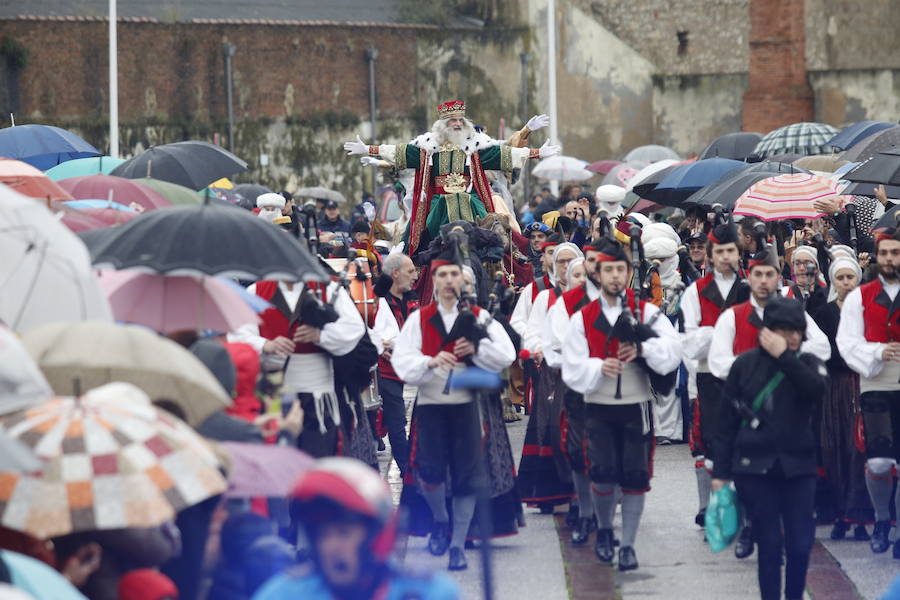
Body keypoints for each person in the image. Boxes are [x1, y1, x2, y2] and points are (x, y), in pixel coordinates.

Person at [562, 240, 682, 571]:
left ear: (629, 274)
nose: (615, 276)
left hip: (636, 406)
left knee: (634, 475)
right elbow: (572, 367)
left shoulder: (647, 312)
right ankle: (603, 531)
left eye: (621, 270)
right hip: (598, 405)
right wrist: (598, 367)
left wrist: (643, 351)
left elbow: (672, 351)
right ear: (597, 274)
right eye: (608, 270)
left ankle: (627, 545)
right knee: (600, 474)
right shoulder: (583, 317)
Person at [391, 253, 515, 570]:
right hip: (432, 405)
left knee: (466, 475)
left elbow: (506, 354)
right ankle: (440, 520)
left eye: (453, 275)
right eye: (442, 275)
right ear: (433, 281)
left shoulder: (478, 316)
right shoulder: (420, 318)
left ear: (462, 280)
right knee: (430, 474)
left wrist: (476, 349)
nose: (449, 281)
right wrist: (430, 362)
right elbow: (402, 362)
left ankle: (458, 544)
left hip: (467, 407)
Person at [708, 247, 831, 559]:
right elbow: (718, 361)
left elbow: (822, 346)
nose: (763, 281)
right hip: (747, 406)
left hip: (789, 403)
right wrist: (754, 364)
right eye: (758, 274)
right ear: (749, 278)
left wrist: (787, 355)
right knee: (749, 470)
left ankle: (773, 529)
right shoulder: (731, 316)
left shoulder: (793, 313)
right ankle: (750, 528)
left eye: (769, 274)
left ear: (779, 277)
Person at [713, 296, 827, 600]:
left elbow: (816, 390)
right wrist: (720, 472)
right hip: (755, 467)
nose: (790, 337)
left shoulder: (808, 363)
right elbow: (725, 423)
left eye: (796, 331)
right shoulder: (745, 364)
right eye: (782, 330)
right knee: (770, 545)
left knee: (801, 544)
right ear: (767, 331)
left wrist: (786, 358)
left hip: (798, 467)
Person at [343, 101, 560, 255]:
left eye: (459, 119)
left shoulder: (475, 146)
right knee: (425, 230)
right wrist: (369, 149)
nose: (457, 123)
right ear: (442, 124)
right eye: (452, 120)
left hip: (470, 198)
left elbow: (503, 154)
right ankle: (417, 258)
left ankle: (504, 259)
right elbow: (400, 152)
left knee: (493, 229)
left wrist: (536, 153)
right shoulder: (428, 147)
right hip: (438, 202)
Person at [253, 457, 459, 599]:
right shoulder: (283, 595)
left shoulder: (429, 593)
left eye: (344, 533)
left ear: (378, 537)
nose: (331, 546)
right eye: (323, 535)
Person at [229, 274, 365, 458]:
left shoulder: (327, 288)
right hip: (274, 388)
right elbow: (237, 333)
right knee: (279, 452)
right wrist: (265, 344)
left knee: (319, 454)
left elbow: (354, 328)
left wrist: (320, 336)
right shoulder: (257, 290)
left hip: (318, 390)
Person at [836, 227, 900, 558]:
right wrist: (877, 352)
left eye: (896, 253)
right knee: (878, 462)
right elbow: (846, 342)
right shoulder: (861, 296)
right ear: (877, 256)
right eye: (885, 253)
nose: (890, 259)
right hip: (876, 382)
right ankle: (881, 519)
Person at [680, 224, 749, 529]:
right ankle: (709, 508)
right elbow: (689, 343)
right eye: (719, 251)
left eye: (730, 251)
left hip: (747, 376)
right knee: (709, 443)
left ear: (738, 252)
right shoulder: (695, 291)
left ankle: (744, 511)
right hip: (708, 378)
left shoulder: (750, 286)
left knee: (745, 441)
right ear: (710, 255)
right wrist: (721, 329)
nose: (725, 257)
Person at [543, 243, 604, 544]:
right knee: (578, 448)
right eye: (578, 270)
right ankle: (582, 509)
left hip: (612, 385)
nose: (584, 274)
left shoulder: (619, 300)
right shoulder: (564, 304)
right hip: (576, 384)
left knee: (611, 452)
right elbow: (555, 345)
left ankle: (603, 512)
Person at [809, 250, 872, 541]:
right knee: (832, 446)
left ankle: (858, 513)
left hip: (859, 382)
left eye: (850, 277)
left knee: (857, 448)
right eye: (841, 278)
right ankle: (836, 511)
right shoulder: (824, 312)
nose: (846, 282)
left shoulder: (865, 310)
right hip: (832, 386)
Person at [517, 243, 583, 515]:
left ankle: (582, 493)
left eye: (571, 261)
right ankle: (548, 491)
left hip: (581, 374)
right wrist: (538, 348)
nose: (566, 267)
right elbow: (532, 329)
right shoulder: (546, 297)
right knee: (549, 427)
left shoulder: (594, 298)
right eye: (561, 261)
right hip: (552, 373)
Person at [371, 252, 420, 476]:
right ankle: (407, 471)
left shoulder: (412, 298)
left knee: (399, 423)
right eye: (410, 271)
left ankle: (409, 471)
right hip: (382, 371)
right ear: (395, 273)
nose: (416, 276)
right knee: (396, 424)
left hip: (401, 369)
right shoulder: (374, 300)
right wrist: (381, 346)